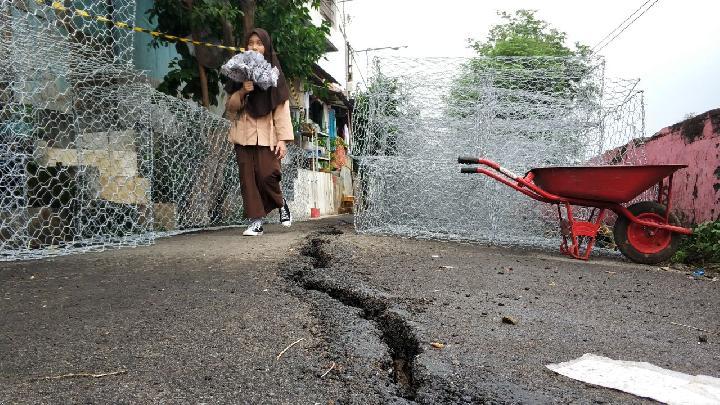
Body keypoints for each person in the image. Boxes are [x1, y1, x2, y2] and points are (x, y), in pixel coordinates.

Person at [225, 28, 293, 236]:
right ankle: (256, 222)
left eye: (259, 43)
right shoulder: (238, 73)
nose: (254, 47)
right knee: (248, 180)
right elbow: (231, 107)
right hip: (243, 134)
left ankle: (281, 204)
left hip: (267, 135)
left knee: (267, 175)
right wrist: (243, 90)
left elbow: (281, 109)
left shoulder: (274, 74)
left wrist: (282, 140)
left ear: (266, 47)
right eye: (251, 43)